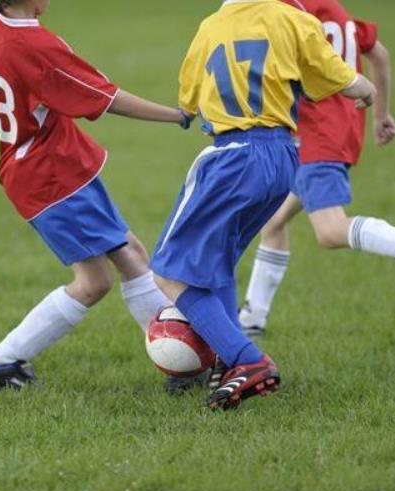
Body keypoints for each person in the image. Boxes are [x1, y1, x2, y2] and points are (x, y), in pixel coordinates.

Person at [0, 0, 190, 389]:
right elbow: (107, 98)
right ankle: (0, 363)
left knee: (132, 257)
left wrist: (15, 97)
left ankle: (181, 364)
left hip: (50, 167)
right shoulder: (35, 45)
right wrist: (178, 116)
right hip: (51, 174)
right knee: (93, 282)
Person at [151, 0, 376, 410]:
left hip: (233, 154)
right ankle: (224, 359)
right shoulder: (294, 19)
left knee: (169, 272)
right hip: (284, 158)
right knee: (218, 259)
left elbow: (188, 102)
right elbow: (339, 77)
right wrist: (367, 90)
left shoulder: (210, 26)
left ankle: (246, 360)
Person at [238, 0, 395, 336]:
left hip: (314, 136)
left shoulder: (289, 10)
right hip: (342, 131)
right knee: (274, 220)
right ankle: (252, 319)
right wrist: (381, 115)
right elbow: (379, 54)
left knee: (329, 230)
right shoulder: (334, 9)